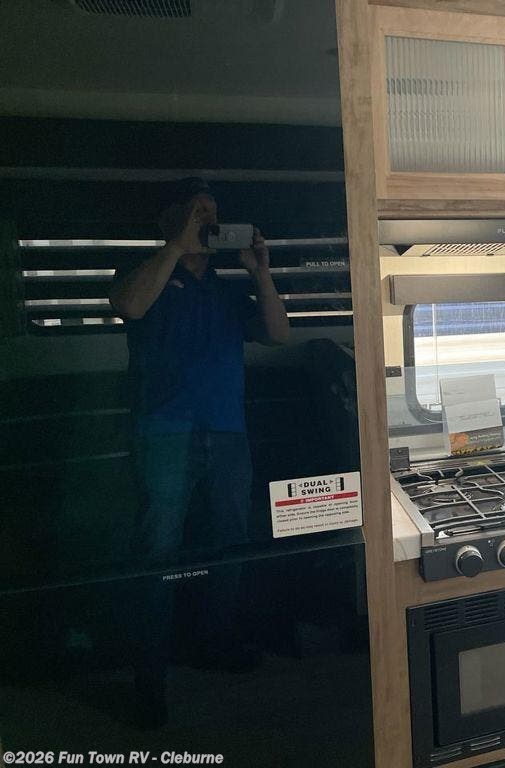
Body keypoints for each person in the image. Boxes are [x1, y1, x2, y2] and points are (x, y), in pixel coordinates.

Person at [109, 177, 290, 727]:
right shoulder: (143, 272)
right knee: (157, 552)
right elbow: (130, 307)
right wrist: (174, 246)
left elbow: (279, 335)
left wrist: (260, 271)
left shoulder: (225, 288)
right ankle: (149, 677)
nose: (207, 221)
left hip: (227, 431)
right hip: (163, 432)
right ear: (170, 220)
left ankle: (217, 642)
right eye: (196, 211)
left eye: (212, 212)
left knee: (230, 542)